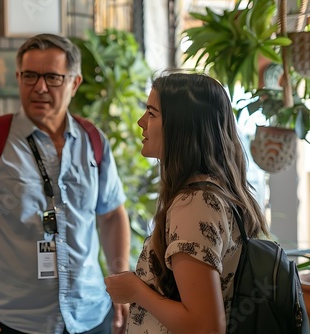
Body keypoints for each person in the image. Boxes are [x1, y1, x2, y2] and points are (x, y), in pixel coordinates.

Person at [0, 34, 131, 334]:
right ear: (18, 78)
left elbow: (112, 213)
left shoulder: (93, 141)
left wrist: (121, 278)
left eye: (52, 77)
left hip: (90, 313)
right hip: (14, 318)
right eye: (30, 76)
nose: (40, 87)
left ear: (74, 83)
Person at [104, 72, 269, 333]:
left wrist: (135, 290)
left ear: (181, 126)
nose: (141, 122)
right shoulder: (215, 192)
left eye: (152, 113)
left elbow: (205, 326)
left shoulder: (195, 204)